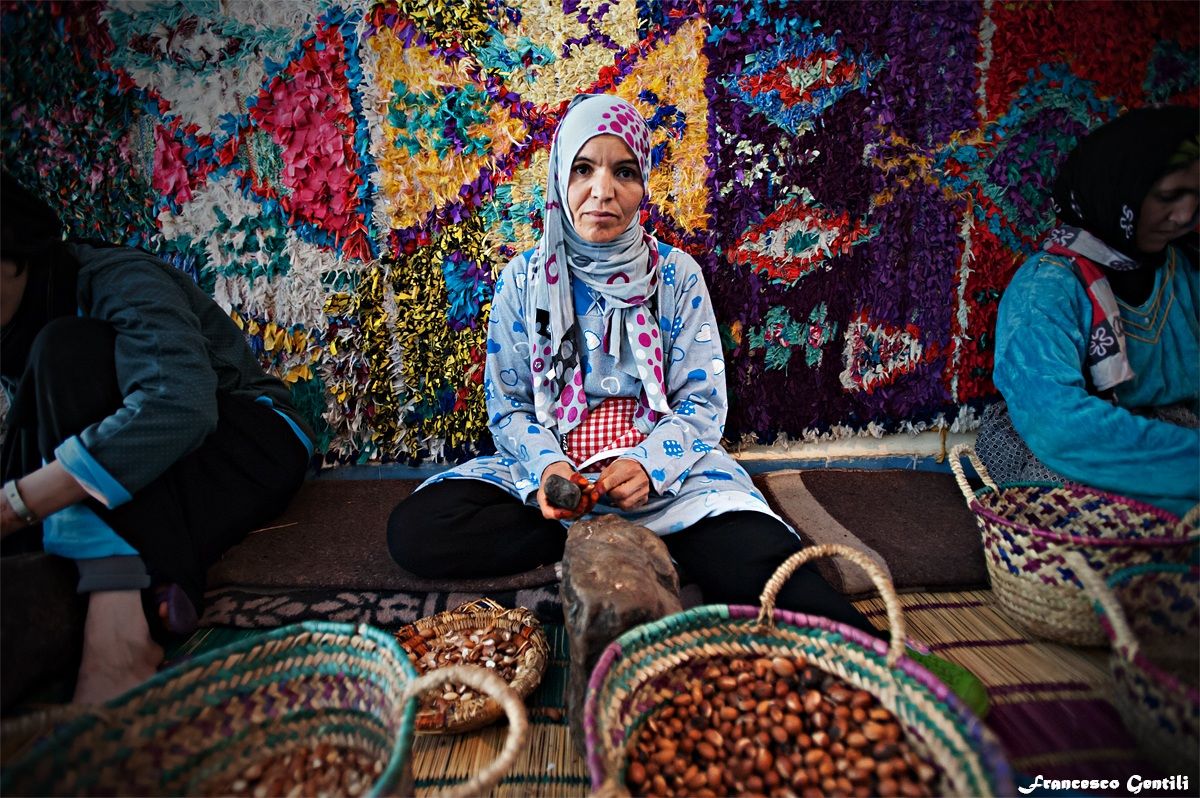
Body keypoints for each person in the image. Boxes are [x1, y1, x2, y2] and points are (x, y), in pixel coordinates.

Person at [387, 93, 886, 636]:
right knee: (418, 530)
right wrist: (552, 477)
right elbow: (509, 410)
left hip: (666, 480)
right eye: (583, 169)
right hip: (557, 479)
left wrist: (650, 466)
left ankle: (881, 662)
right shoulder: (524, 281)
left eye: (624, 172)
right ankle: (615, 535)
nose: (602, 192)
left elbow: (701, 404)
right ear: (559, 177)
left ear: (643, 184)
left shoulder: (675, 276)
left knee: (759, 560)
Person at [0, 173, 314, 704]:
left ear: (11, 252)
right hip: (152, 481)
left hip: (245, 437)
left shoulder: (115, 277)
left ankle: (119, 629)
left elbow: (181, 407)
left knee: (64, 353)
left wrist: (14, 506)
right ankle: (153, 589)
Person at [976, 106, 1199, 519]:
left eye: (1196, 197)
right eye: (1167, 198)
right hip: (1075, 447)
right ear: (1119, 192)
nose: (1185, 216)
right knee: (1103, 512)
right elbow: (1056, 422)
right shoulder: (1046, 289)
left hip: (1172, 441)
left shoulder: (1185, 271)